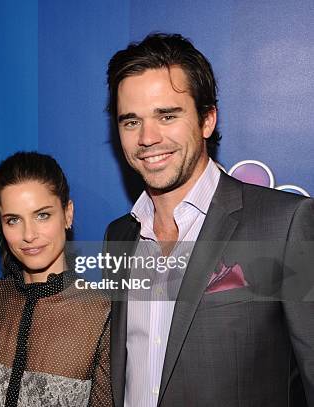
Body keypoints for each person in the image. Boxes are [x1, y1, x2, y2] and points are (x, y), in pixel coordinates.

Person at [104, 33, 314, 406]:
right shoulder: (118, 235)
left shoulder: (284, 225)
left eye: (167, 115)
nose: (147, 138)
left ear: (206, 119)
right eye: (131, 121)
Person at [0, 151, 112, 407]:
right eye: (13, 220)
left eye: (42, 215)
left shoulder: (102, 314)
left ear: (67, 214)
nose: (28, 235)